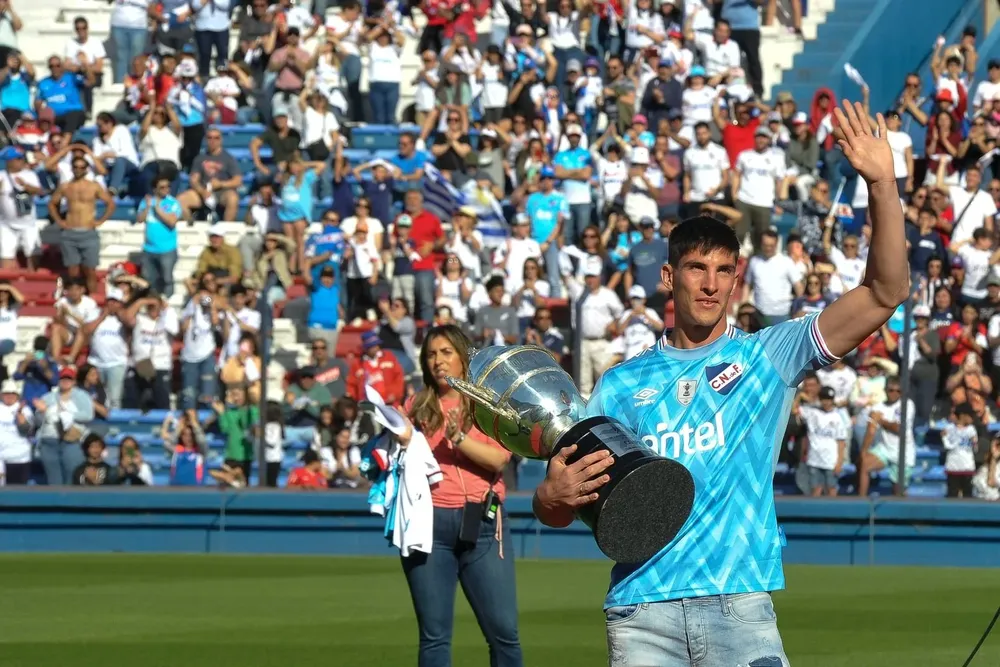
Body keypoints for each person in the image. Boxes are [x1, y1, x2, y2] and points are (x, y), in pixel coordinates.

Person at [532, 100, 908, 665]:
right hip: (642, 614)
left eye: (723, 270)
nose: (710, 285)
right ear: (668, 277)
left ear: (737, 279)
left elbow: (885, 292)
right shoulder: (619, 385)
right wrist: (546, 498)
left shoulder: (769, 356)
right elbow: (571, 505)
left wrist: (882, 185)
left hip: (739, 607)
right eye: (695, 268)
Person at [398, 324, 522, 667]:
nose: (438, 361)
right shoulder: (416, 407)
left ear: (463, 359)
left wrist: (461, 440)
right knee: (434, 637)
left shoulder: (486, 405)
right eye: (432, 354)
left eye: (446, 353)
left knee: (504, 633)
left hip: (483, 523)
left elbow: (499, 459)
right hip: (428, 525)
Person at [48, 157, 116, 294]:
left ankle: (93, 299)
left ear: (86, 169)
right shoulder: (66, 186)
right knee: (73, 271)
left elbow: (110, 203)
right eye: (76, 167)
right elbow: (51, 203)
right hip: (70, 232)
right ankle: (74, 299)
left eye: (81, 167)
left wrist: (100, 221)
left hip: (88, 231)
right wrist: (59, 221)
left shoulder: (94, 186)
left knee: (90, 270)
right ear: (72, 168)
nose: (78, 170)